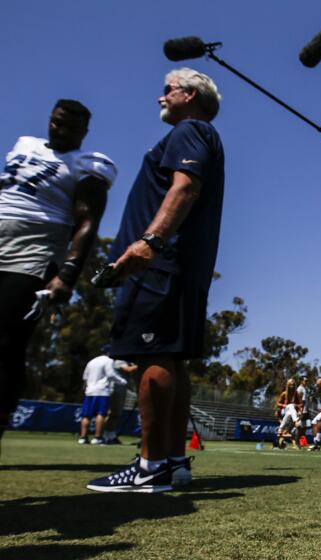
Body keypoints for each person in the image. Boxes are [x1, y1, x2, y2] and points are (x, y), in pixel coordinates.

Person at [87, 68, 224, 493]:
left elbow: (184, 187)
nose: (160, 97)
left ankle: (150, 466)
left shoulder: (189, 131)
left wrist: (149, 242)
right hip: (180, 264)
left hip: (161, 264)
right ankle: (173, 461)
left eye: (167, 90)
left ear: (189, 94)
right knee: (173, 357)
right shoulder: (200, 134)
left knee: (154, 357)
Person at [0, 100, 116, 453]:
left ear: (84, 132)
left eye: (70, 127)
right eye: (57, 123)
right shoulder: (23, 144)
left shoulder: (88, 163)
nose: (61, 131)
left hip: (33, 249)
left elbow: (87, 220)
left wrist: (67, 273)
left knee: (5, 341)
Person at [78, 354, 129, 445]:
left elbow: (85, 377)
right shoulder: (108, 360)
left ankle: (83, 437)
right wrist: (122, 381)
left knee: (86, 416)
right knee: (101, 414)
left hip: (89, 391)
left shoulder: (92, 361)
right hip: (102, 391)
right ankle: (97, 437)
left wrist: (86, 389)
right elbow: (111, 374)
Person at [103, 360, 138, 445]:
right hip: (116, 390)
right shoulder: (119, 361)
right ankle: (105, 436)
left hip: (121, 390)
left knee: (116, 413)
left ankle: (111, 435)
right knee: (112, 413)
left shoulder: (127, 361)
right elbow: (128, 369)